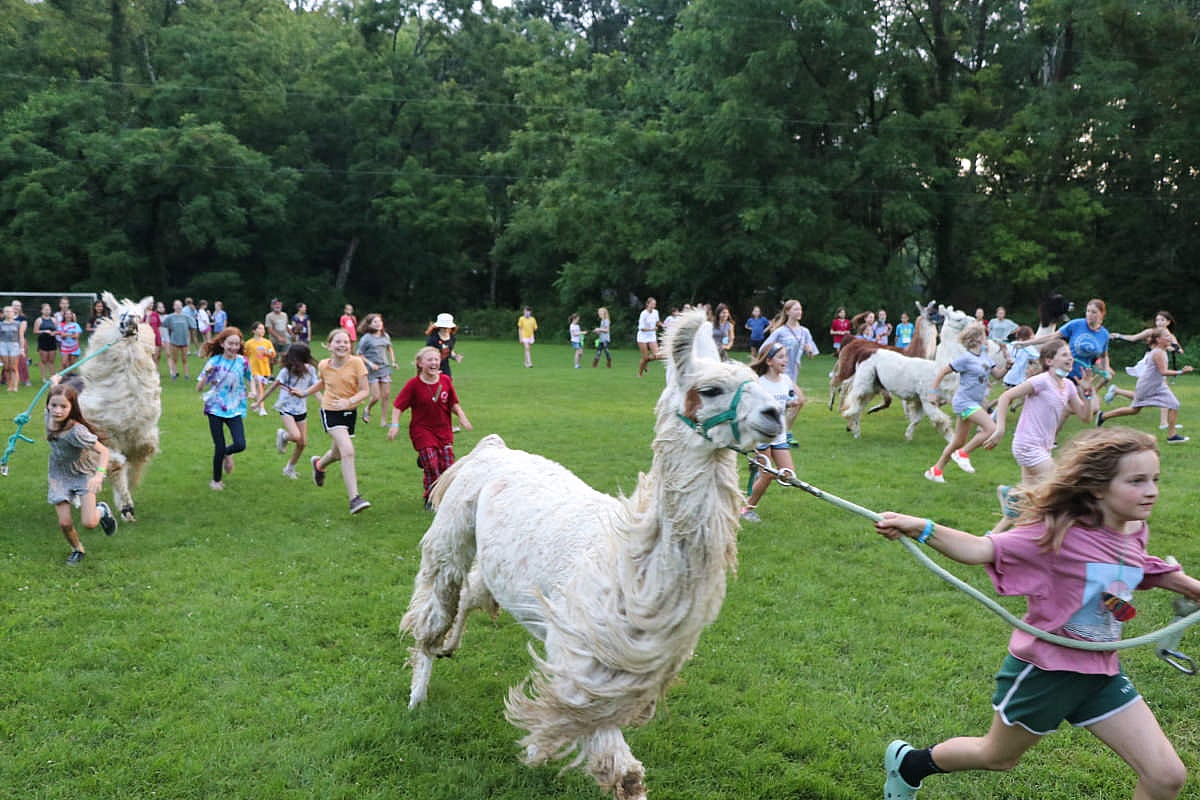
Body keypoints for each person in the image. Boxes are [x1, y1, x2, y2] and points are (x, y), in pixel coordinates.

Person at [876, 427, 1200, 800]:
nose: (1151, 490)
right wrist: (922, 528)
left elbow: (1141, 566)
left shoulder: (1133, 529)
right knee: (996, 757)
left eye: (1155, 479)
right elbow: (982, 548)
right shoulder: (1055, 535)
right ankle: (910, 764)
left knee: (1166, 776)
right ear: (1098, 488)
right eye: (1137, 481)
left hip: (1100, 672)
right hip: (1046, 672)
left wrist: (1191, 588)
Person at [984, 340, 1097, 534]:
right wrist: (1000, 429)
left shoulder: (1068, 385)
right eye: (1064, 354)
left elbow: (1086, 417)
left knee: (1024, 508)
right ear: (1049, 360)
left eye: (1070, 354)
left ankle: (992, 538)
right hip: (1027, 445)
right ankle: (1014, 495)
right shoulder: (1041, 381)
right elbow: (1006, 397)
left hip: (1043, 447)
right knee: (1060, 487)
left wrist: (1087, 392)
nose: (1070, 357)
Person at [388, 346, 473, 510]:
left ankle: (446, 496)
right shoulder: (413, 384)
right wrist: (395, 425)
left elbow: (453, 403)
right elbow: (398, 407)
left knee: (448, 467)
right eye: (430, 360)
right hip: (422, 431)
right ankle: (431, 496)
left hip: (443, 430)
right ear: (420, 363)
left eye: (436, 359)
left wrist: (462, 417)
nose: (434, 363)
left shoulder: (446, 381)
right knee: (432, 465)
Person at [924, 322, 1011, 483]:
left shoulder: (985, 357)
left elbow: (998, 375)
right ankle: (962, 453)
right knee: (991, 428)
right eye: (984, 335)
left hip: (974, 403)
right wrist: (933, 393)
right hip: (964, 402)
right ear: (977, 338)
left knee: (958, 441)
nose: (986, 338)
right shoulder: (965, 358)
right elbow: (943, 371)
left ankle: (935, 470)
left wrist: (1007, 364)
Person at [44, 382, 118, 565]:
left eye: (64, 407)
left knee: (89, 523)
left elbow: (104, 452)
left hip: (82, 474)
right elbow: (54, 394)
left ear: (72, 407)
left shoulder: (77, 431)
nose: (58, 411)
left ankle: (102, 510)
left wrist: (99, 476)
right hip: (58, 475)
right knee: (64, 523)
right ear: (47, 405)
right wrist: (55, 383)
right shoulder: (48, 417)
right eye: (54, 405)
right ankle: (77, 549)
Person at [305, 328, 371, 515]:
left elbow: (365, 390)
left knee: (336, 453)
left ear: (350, 346)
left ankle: (319, 465)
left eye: (346, 342)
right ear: (329, 345)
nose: (342, 345)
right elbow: (322, 383)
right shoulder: (324, 365)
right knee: (348, 451)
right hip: (331, 410)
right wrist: (304, 393)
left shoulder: (357, 363)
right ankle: (354, 499)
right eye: (338, 342)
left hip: (349, 411)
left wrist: (348, 402)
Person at [739, 342, 804, 523]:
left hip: (780, 434)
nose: (786, 360)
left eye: (786, 357)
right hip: (761, 435)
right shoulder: (759, 383)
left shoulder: (786, 380)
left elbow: (790, 398)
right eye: (781, 357)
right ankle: (746, 509)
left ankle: (758, 474)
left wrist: (791, 403)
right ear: (769, 361)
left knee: (788, 475)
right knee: (768, 474)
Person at [1098, 331, 1192, 444]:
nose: (1170, 339)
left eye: (1170, 337)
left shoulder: (1162, 351)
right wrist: (1182, 371)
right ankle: (1103, 416)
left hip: (1158, 385)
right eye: (1166, 337)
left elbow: (1172, 352)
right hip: (1147, 386)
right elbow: (1163, 372)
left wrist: (1176, 348)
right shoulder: (1157, 353)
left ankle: (1172, 436)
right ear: (1158, 340)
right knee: (1135, 410)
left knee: (1174, 404)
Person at [196, 327, 253, 491]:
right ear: (222, 343)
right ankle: (216, 480)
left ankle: (227, 454)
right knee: (219, 446)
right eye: (230, 343)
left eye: (237, 344)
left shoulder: (243, 361)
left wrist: (254, 390)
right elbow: (199, 388)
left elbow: (251, 377)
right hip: (215, 408)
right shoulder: (214, 362)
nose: (234, 347)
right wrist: (206, 374)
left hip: (235, 408)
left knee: (240, 444)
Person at [255, 342, 318, 479]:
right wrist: (259, 402)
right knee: (295, 436)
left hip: (301, 409)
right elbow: (273, 387)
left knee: (302, 443)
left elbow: (316, 388)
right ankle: (283, 436)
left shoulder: (310, 370)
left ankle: (289, 468)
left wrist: (324, 403)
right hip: (286, 408)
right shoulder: (285, 372)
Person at [1108, 311, 1180, 430]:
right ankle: (1163, 423)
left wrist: (1174, 349)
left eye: (1162, 320)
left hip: (1161, 362)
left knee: (1145, 396)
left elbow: (1177, 348)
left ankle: (1117, 391)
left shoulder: (1170, 336)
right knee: (1158, 391)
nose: (1159, 322)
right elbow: (1133, 338)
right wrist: (1119, 336)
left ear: (1168, 322)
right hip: (1150, 363)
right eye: (1157, 320)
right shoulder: (1151, 332)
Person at [760, 299, 817, 439]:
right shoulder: (780, 332)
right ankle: (780, 432)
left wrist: (809, 351)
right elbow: (763, 348)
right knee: (797, 400)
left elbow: (812, 355)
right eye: (796, 309)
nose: (800, 312)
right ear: (787, 312)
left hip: (793, 373)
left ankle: (784, 431)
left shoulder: (805, 332)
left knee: (792, 403)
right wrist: (776, 356)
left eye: (800, 309)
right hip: (780, 374)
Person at [356, 313, 396, 425]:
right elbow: (359, 354)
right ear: (369, 324)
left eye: (380, 322)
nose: (378, 324)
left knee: (386, 395)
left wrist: (393, 361)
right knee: (376, 397)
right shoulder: (366, 338)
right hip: (372, 371)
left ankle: (383, 421)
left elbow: (390, 349)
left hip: (385, 368)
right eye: (375, 322)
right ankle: (367, 408)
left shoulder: (385, 336)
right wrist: (370, 363)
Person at [245, 322, 276, 416]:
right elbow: (244, 355)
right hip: (253, 369)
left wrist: (267, 353)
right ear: (254, 331)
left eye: (263, 328)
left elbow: (273, 354)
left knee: (261, 389)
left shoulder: (267, 342)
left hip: (265, 369)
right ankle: (262, 409)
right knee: (260, 389)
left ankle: (256, 404)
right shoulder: (249, 343)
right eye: (260, 328)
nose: (262, 330)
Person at [160, 300, 192, 380]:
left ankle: (186, 375)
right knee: (174, 359)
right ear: (174, 307)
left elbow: (190, 328)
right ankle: (174, 375)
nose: (178, 307)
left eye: (180, 305)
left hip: (184, 341)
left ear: (182, 306)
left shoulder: (186, 316)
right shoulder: (170, 317)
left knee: (184, 359)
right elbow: (163, 325)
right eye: (176, 305)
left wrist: (188, 340)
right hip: (174, 341)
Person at [0, 305, 25, 392]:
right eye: (6, 311)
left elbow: (21, 337)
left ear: (13, 313)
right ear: (3, 313)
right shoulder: (1, 324)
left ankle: (15, 386)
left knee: (13, 367)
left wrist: (22, 349)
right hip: (3, 345)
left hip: (14, 345)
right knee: (6, 367)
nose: (8, 313)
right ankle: (9, 385)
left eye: (9, 311)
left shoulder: (18, 324)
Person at [635, 298, 661, 377]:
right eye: (652, 304)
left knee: (658, 355)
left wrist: (664, 325)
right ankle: (639, 374)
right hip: (642, 337)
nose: (654, 306)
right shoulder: (643, 314)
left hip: (651, 336)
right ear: (647, 304)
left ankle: (646, 361)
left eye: (655, 304)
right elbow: (641, 328)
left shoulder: (656, 312)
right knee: (645, 357)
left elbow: (657, 322)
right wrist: (652, 329)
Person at [35, 303, 59, 382]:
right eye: (45, 309)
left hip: (52, 341)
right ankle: (44, 378)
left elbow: (57, 330)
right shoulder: (39, 320)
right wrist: (44, 331)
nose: (47, 311)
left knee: (51, 361)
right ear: (42, 311)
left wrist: (54, 333)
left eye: (49, 309)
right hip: (43, 342)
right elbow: (35, 331)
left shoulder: (54, 319)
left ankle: (52, 377)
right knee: (44, 361)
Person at [11, 299, 31, 385]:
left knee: (22, 361)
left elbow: (22, 330)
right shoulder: (5, 317)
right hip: (7, 342)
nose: (16, 307)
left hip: (20, 341)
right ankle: (5, 379)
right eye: (14, 305)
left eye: (18, 305)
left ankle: (25, 380)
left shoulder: (23, 318)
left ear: (20, 307)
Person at [147, 300, 164, 368]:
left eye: (152, 303)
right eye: (150, 303)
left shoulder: (155, 314)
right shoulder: (143, 314)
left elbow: (159, 326)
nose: (151, 305)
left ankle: (155, 371)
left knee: (156, 356)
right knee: (149, 356)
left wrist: (161, 338)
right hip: (148, 337)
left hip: (157, 337)